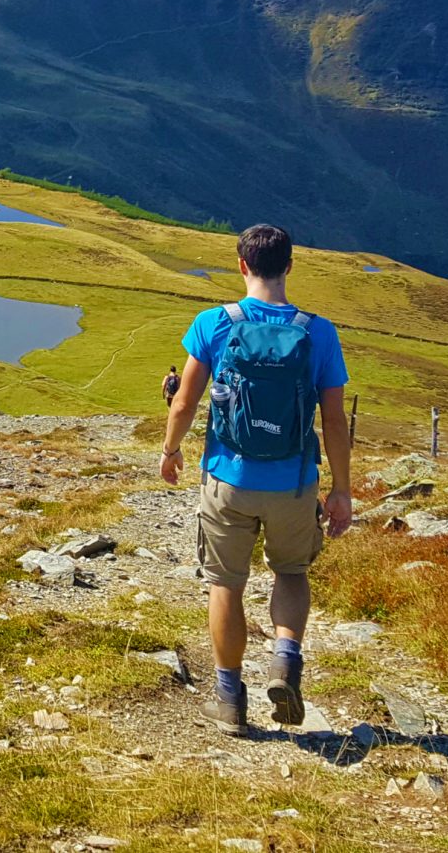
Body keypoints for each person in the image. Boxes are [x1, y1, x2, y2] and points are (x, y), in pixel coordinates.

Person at [159, 223, 353, 736]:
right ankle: (285, 662)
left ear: (242, 265)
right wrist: (340, 489)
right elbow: (334, 421)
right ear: (290, 266)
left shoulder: (213, 323)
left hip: (228, 478)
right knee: (291, 572)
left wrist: (170, 450)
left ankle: (229, 701)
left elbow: (184, 401)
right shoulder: (319, 333)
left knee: (225, 584)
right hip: (293, 483)